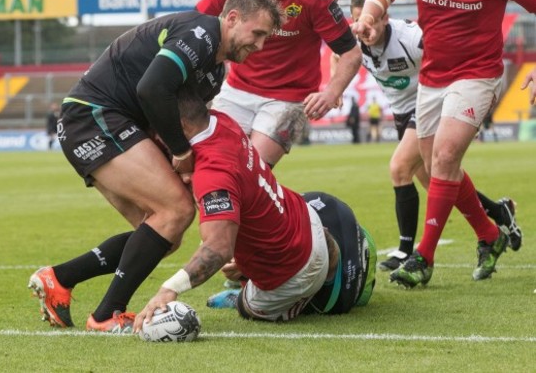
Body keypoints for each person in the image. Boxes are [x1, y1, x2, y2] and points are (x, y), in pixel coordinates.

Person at [27, 0, 286, 332]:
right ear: (233, 18)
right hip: (94, 117)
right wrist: (179, 153)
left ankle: (59, 278)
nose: (260, 45)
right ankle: (106, 315)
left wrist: (183, 159)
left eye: (266, 38)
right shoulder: (201, 34)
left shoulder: (215, 72)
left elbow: (175, 116)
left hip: (113, 124)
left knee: (162, 234)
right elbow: (151, 89)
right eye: (257, 34)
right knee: (175, 210)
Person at [353, 0, 536, 287]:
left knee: (446, 154)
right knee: (435, 167)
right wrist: (369, 15)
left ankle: (423, 257)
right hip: (432, 79)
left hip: (478, 75)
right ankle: (489, 231)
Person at [133, 88, 375, 330]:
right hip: (308, 223)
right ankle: (326, 270)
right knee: (240, 242)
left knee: (248, 305)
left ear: (182, 126)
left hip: (293, 272)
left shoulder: (212, 174)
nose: (159, 138)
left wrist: (169, 289)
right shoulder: (222, 122)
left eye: (161, 131)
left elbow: (218, 248)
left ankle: (254, 298)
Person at [195, 0, 362, 168]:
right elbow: (197, 24)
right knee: (214, 163)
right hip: (237, 90)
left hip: (290, 99)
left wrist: (332, 92)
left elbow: (351, 53)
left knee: (252, 170)